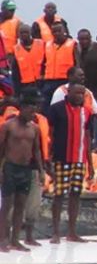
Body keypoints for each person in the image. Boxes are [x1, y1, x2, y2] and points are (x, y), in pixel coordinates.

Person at [47, 83, 94, 243]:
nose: (80, 96)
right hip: (61, 157)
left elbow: (87, 137)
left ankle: (72, 232)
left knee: (76, 194)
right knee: (59, 194)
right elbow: (49, 133)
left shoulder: (87, 112)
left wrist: (90, 164)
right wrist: (49, 158)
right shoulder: (57, 109)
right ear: (69, 93)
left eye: (83, 93)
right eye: (77, 93)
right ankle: (55, 232)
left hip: (79, 159)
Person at [0, 95, 45, 252]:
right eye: (30, 110)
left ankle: (15, 240)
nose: (32, 114)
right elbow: (1, 148)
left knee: (21, 205)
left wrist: (41, 170)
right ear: (22, 108)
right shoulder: (8, 126)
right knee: (7, 206)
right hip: (11, 168)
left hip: (26, 169)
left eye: (35, 111)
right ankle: (2, 239)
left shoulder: (35, 128)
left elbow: (37, 151)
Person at [42, 24, 79, 112]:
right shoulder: (47, 45)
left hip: (65, 80)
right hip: (49, 81)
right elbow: (43, 63)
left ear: (64, 31)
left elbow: (77, 63)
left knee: (63, 107)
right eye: (54, 31)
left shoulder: (72, 44)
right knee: (46, 106)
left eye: (59, 31)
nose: (57, 33)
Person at [11, 23, 45, 95]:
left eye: (26, 32)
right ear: (18, 35)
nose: (24, 34)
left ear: (30, 33)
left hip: (41, 83)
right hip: (25, 85)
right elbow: (15, 72)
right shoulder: (16, 49)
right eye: (21, 33)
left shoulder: (41, 44)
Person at [77, 28, 97, 104]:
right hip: (83, 84)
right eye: (81, 39)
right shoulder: (75, 49)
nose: (84, 41)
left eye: (86, 39)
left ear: (90, 38)